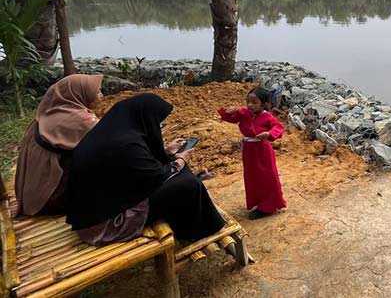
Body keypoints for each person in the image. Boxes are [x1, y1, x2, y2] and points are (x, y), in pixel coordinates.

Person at [66, 93, 225, 245]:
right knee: (187, 184)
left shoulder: (111, 133)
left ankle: (193, 222)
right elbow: (157, 176)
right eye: (156, 121)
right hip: (107, 225)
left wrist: (167, 152)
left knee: (174, 170)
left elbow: (133, 167)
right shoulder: (127, 144)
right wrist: (181, 159)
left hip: (94, 214)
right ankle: (201, 229)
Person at [14, 74, 104, 217]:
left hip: (31, 194)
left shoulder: (46, 115)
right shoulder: (81, 121)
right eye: (97, 92)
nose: (102, 96)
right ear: (79, 94)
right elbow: (108, 141)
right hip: (52, 198)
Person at [219, 87, 287, 220]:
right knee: (252, 177)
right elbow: (231, 118)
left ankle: (268, 206)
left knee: (267, 177)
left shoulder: (268, 117)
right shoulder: (244, 113)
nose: (250, 105)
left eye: (254, 102)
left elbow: (278, 127)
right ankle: (258, 202)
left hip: (262, 150)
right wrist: (228, 112)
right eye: (248, 101)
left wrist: (268, 134)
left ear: (264, 104)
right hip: (249, 151)